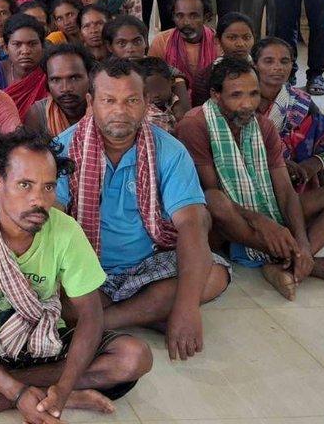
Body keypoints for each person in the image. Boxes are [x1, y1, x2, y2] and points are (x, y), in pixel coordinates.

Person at [0, 130, 152, 422]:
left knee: (134, 357)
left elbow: (90, 315)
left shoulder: (65, 231)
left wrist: (62, 388)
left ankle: (22, 389)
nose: (38, 199)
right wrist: (17, 393)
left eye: (48, 187)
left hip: (45, 336)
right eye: (25, 185)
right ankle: (40, 393)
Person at [54, 59, 230, 360]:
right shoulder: (62, 149)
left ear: (146, 102)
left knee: (215, 274)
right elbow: (50, 223)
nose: (120, 111)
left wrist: (186, 309)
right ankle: (146, 313)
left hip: (149, 263)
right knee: (56, 294)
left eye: (131, 100)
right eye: (109, 100)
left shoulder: (169, 150)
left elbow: (192, 224)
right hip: (86, 267)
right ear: (91, 102)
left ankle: (101, 322)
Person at [179, 59, 324, 299]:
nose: (247, 104)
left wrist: (303, 243)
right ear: (215, 95)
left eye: (254, 94)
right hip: (222, 224)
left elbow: (284, 191)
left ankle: (296, 261)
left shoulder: (263, 126)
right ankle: (304, 264)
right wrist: (261, 222)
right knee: (214, 200)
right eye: (236, 95)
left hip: (265, 205)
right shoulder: (195, 125)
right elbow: (210, 192)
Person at [253, 38, 324, 192]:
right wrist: (276, 163)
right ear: (255, 65)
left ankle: (315, 197)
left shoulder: (299, 101)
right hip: (254, 177)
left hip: (299, 175)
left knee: (319, 128)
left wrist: (317, 162)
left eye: (284, 61)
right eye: (269, 61)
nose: (278, 67)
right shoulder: (243, 99)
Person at [106, 15, 192, 122]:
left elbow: (183, 114)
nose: (131, 49)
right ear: (110, 47)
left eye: (137, 41)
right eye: (122, 43)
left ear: (145, 42)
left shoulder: (165, 70)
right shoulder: (104, 75)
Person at [150, 0, 220, 107]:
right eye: (180, 16)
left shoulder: (218, 42)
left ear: (206, 17)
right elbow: (152, 82)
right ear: (173, 17)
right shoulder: (162, 41)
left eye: (193, 16)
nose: (186, 22)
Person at [0, 14, 49, 118]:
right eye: (17, 44)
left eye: (32, 44)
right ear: (6, 48)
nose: (25, 51)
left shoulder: (50, 73)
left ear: (42, 47)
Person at [25, 44, 95, 137]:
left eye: (74, 78)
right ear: (47, 82)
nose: (65, 88)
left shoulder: (104, 108)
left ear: (90, 77)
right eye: (55, 80)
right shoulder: (38, 115)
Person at [136, 57, 179, 134]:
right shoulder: (151, 116)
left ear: (172, 81)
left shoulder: (174, 101)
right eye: (148, 90)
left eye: (159, 87)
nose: (155, 95)